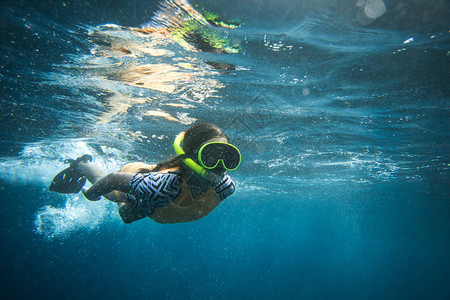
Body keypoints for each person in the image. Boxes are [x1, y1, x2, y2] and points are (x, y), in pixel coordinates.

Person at [49, 123, 240, 224]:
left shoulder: (225, 186)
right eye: (211, 156)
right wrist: (90, 195)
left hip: (155, 194)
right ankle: (82, 164)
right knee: (121, 206)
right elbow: (113, 179)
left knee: (127, 215)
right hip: (141, 176)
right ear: (190, 157)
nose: (220, 166)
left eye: (228, 157)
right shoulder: (163, 186)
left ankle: (137, 208)